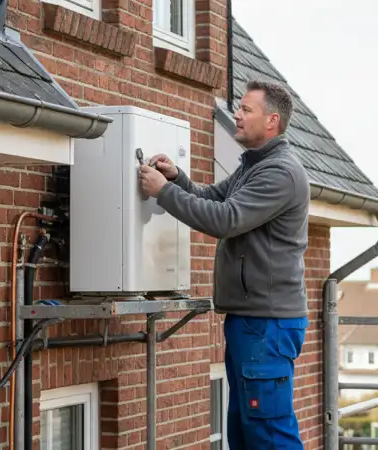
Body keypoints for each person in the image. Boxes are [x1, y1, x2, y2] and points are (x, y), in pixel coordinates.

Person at [139, 80, 310, 449]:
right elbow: (212, 197)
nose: (237, 113)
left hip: (267, 325)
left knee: (269, 433)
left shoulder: (279, 172)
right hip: (251, 321)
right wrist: (176, 179)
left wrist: (163, 192)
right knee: (246, 432)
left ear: (272, 121)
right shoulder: (254, 166)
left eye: (247, 109)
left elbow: (225, 219)